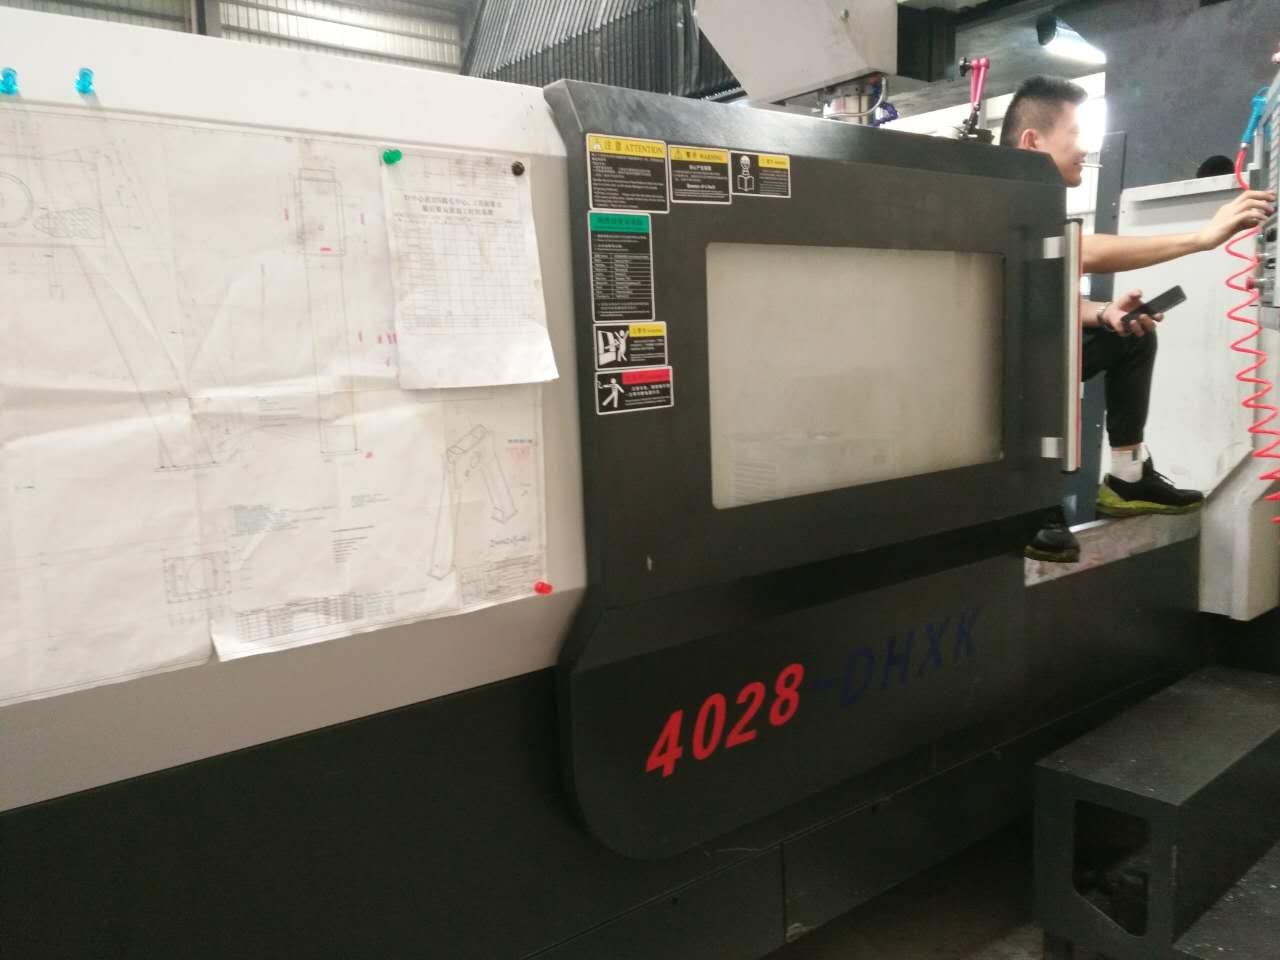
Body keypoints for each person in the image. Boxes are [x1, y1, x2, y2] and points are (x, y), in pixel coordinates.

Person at [999, 76, 1277, 562]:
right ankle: (1026, 502)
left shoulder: (1040, 207)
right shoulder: (996, 196)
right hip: (981, 374)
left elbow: (1046, 298)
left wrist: (1104, 314)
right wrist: (1201, 238)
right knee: (1039, 357)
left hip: (1018, 352)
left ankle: (1127, 477)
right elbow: (1081, 251)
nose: (1084, 148)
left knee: (1130, 336)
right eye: (1075, 134)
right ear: (1032, 141)